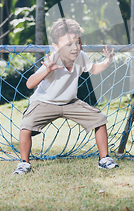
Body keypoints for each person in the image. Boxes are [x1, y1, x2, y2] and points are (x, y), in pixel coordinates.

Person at [13, 18, 118, 174]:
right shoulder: (53, 59)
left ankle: (104, 159)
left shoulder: (81, 56)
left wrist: (107, 61)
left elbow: (94, 69)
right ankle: (24, 163)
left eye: (78, 42)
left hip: (70, 102)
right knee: (26, 126)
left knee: (99, 119)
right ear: (56, 46)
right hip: (45, 102)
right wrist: (47, 70)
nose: (75, 48)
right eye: (68, 44)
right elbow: (29, 84)